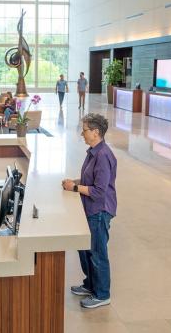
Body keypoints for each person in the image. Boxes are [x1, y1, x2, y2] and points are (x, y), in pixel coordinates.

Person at [62, 113, 117, 309]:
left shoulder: (103, 156)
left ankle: (102, 294)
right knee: (85, 250)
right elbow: (89, 181)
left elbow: (99, 191)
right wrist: (74, 182)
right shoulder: (93, 152)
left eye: (84, 130)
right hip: (88, 209)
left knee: (97, 253)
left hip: (99, 211)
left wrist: (74, 188)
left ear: (96, 132)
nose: (82, 134)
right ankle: (90, 285)